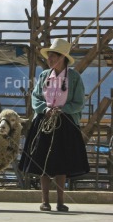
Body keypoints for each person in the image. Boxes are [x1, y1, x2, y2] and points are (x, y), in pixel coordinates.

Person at [18, 38, 90, 212]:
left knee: (62, 163)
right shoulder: (44, 76)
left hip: (65, 123)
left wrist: (62, 109)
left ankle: (60, 201)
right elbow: (36, 97)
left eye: (52, 56)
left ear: (62, 58)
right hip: (45, 121)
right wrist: (45, 109)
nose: (49, 59)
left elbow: (79, 102)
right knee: (43, 162)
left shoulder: (73, 78)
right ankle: (45, 201)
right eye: (49, 56)